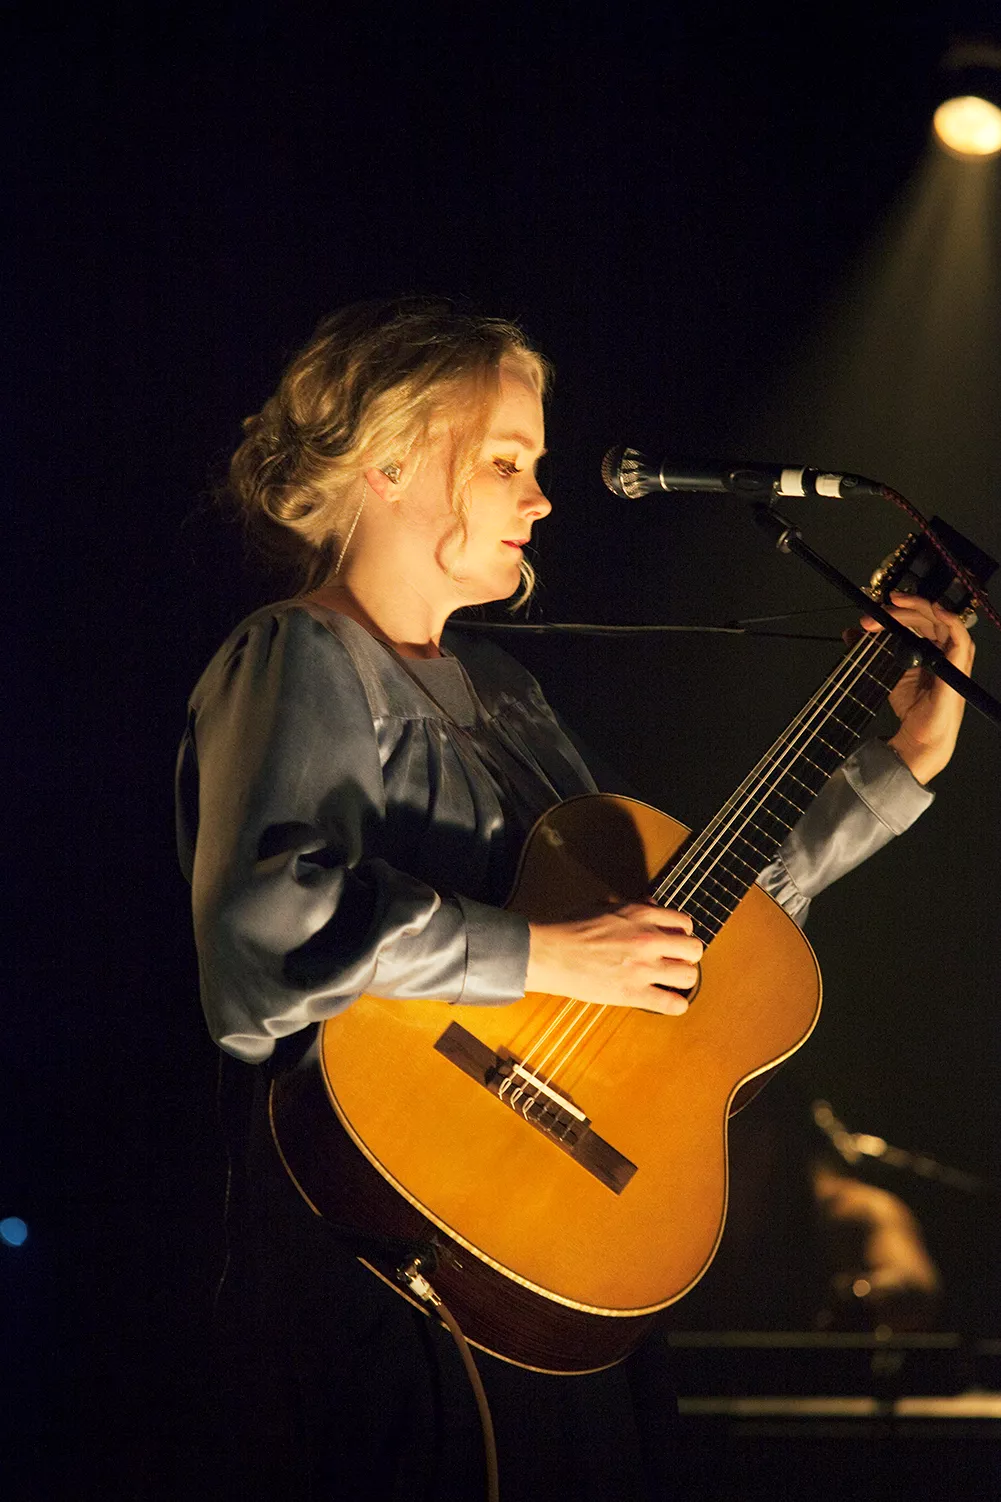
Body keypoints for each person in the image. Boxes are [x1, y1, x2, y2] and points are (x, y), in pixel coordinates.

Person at [175, 298, 973, 1501]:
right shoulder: (298, 653)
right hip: (381, 1245)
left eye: (535, 466)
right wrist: (547, 955)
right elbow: (262, 926)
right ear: (386, 461)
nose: (541, 498)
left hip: (557, 1240)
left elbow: (663, 932)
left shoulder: (503, 691)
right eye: (506, 462)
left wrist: (893, 767)